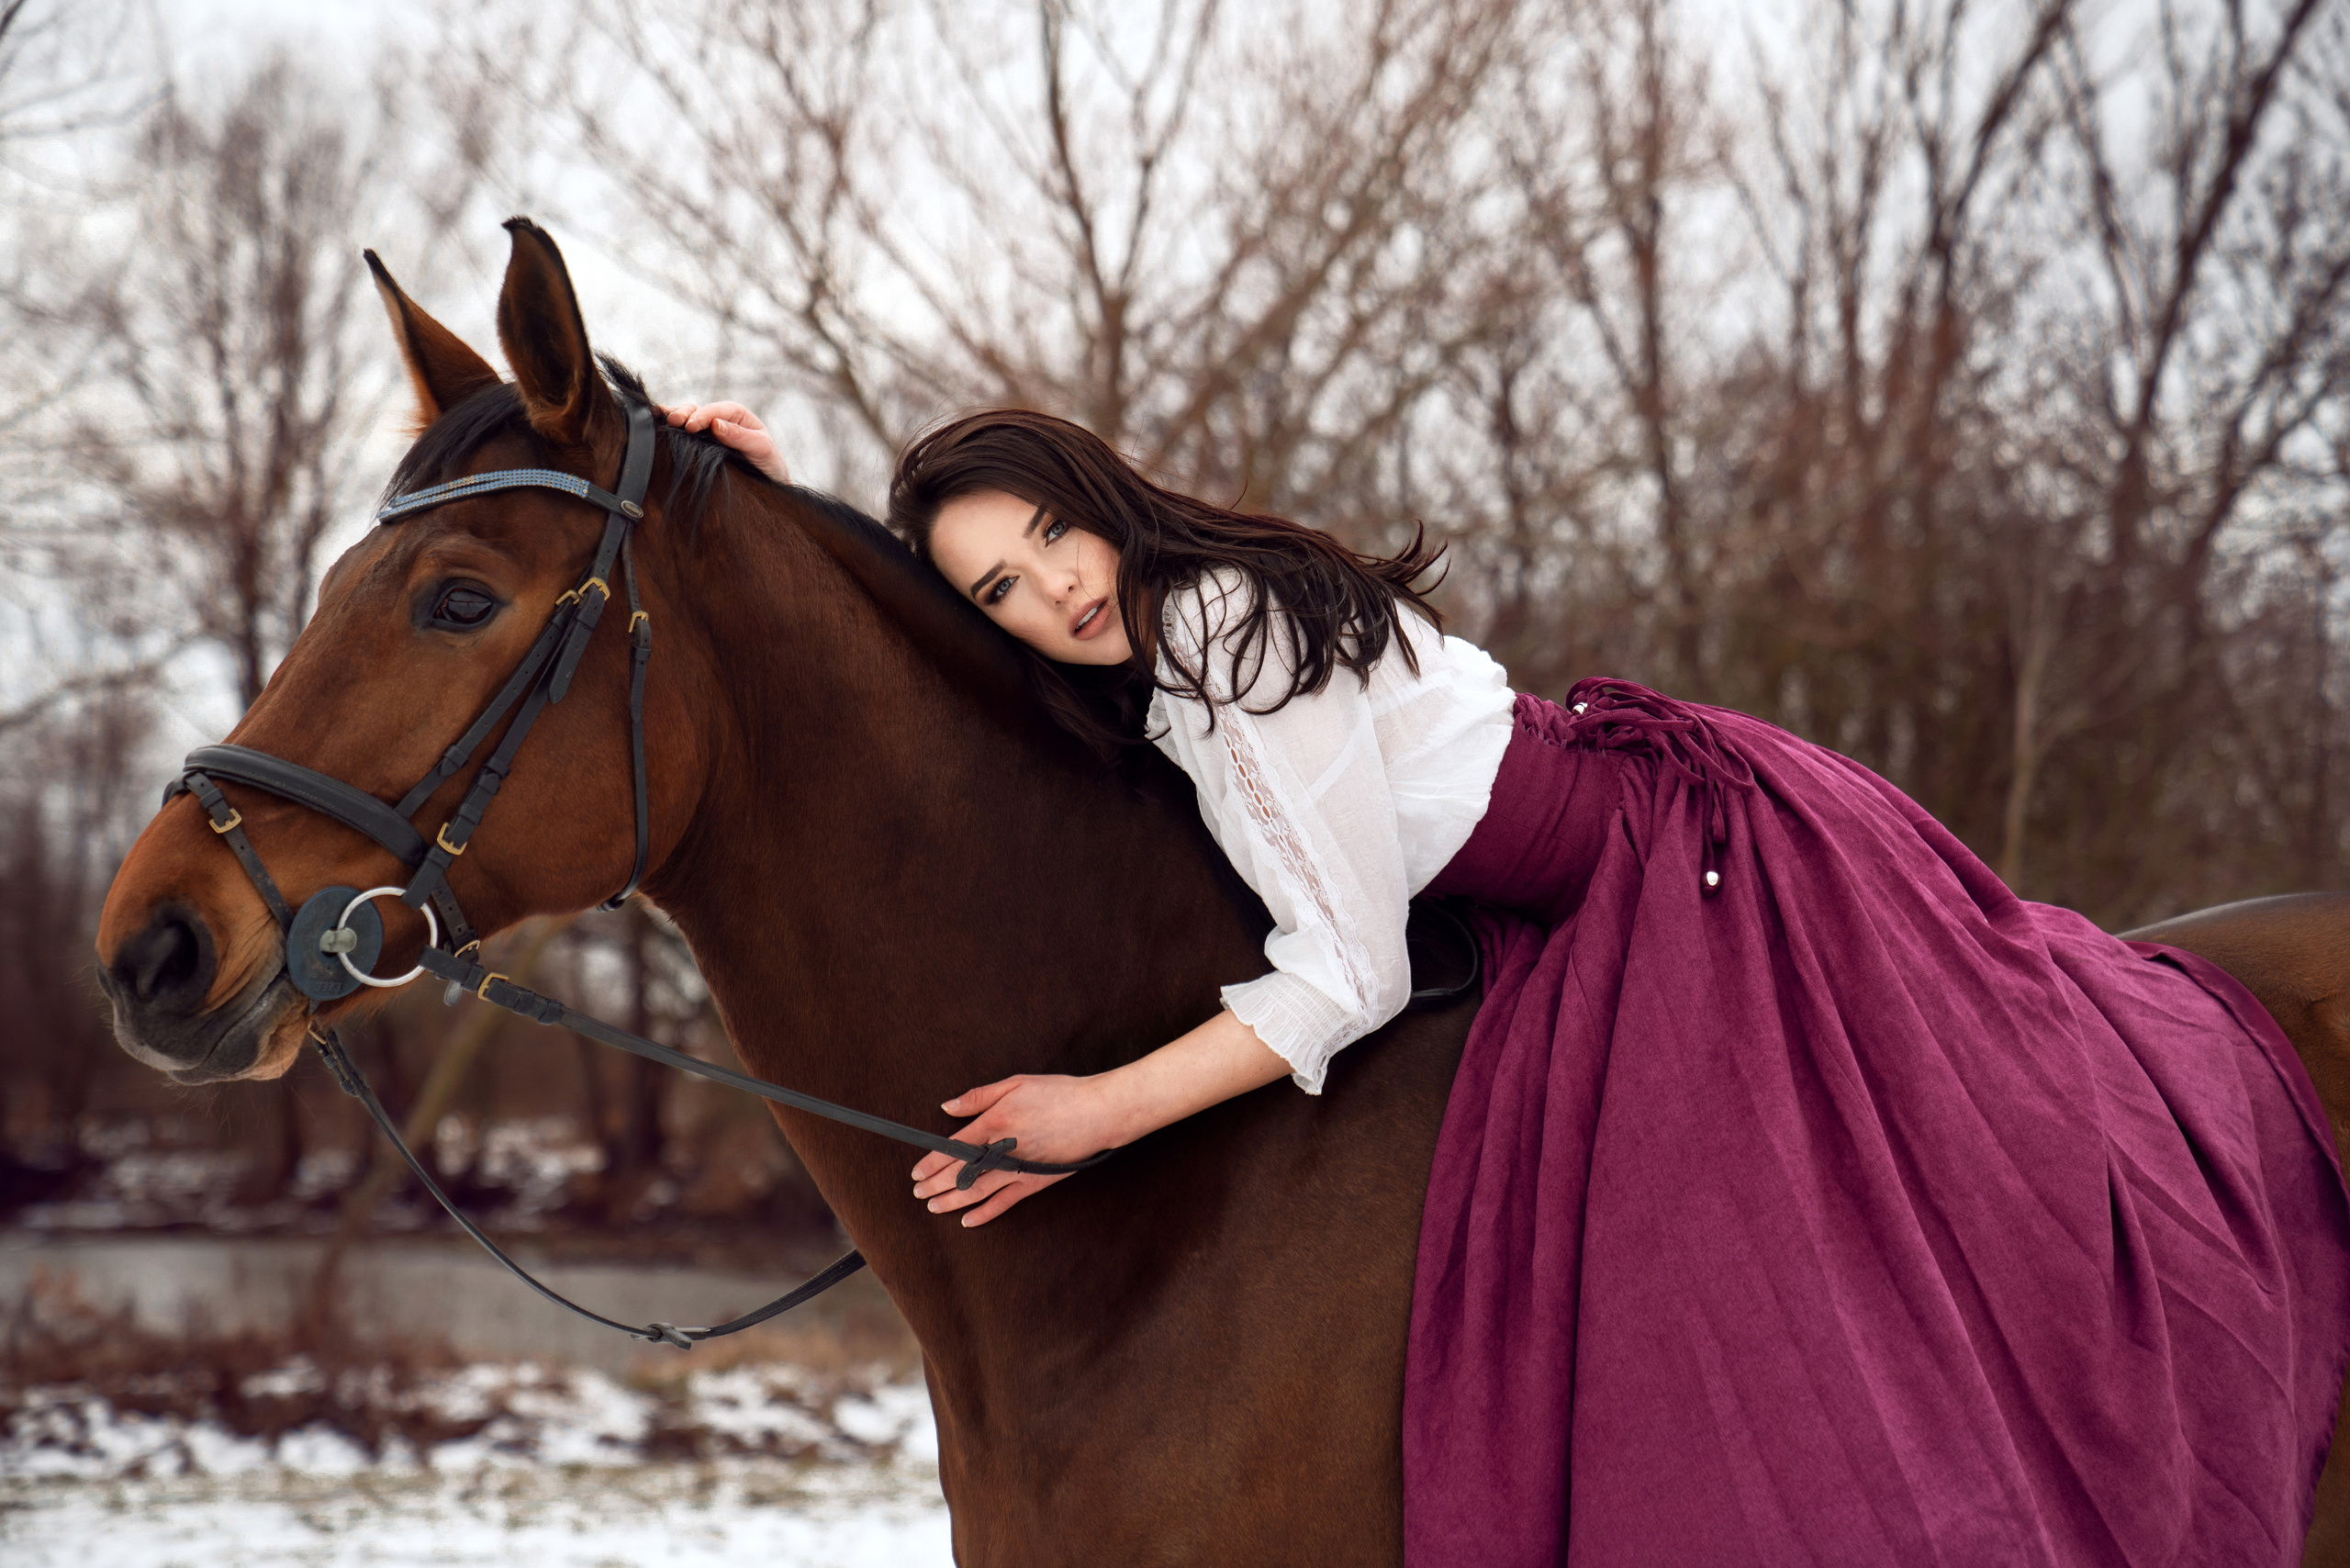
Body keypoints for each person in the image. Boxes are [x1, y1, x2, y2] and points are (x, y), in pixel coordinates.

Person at [661, 398, 2350, 1566]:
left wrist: (1098, 1111)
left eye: (1048, 535)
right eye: (1003, 591)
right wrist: (759, 503)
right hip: (1549, 919)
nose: (1056, 590)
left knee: (1805, 1260)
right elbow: (924, 683)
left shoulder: (1233, 639)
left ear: (1097, 490)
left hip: (1674, 877)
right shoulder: (1157, 676)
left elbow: (1344, 971)